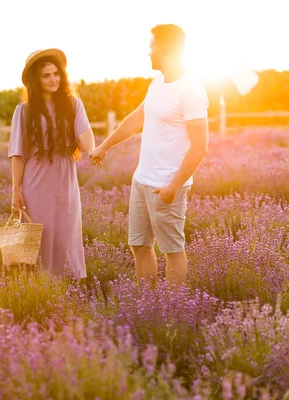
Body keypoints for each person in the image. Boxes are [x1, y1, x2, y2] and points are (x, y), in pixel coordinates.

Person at [90, 24, 209, 288]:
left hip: (167, 185)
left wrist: (173, 187)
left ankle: (173, 310)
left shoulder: (191, 91)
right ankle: (149, 304)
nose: (149, 53)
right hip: (142, 180)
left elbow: (200, 146)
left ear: (165, 50)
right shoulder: (157, 84)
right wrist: (105, 145)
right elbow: (135, 119)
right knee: (139, 245)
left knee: (172, 250)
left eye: (152, 47)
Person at [8, 48, 95, 279]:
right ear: (36, 80)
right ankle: (42, 288)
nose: (53, 79)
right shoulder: (24, 111)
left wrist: (94, 149)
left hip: (66, 181)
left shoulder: (73, 105)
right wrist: (15, 191)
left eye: (56, 74)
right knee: (41, 237)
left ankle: (71, 285)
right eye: (46, 75)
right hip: (35, 183)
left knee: (68, 234)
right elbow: (18, 154)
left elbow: (85, 134)